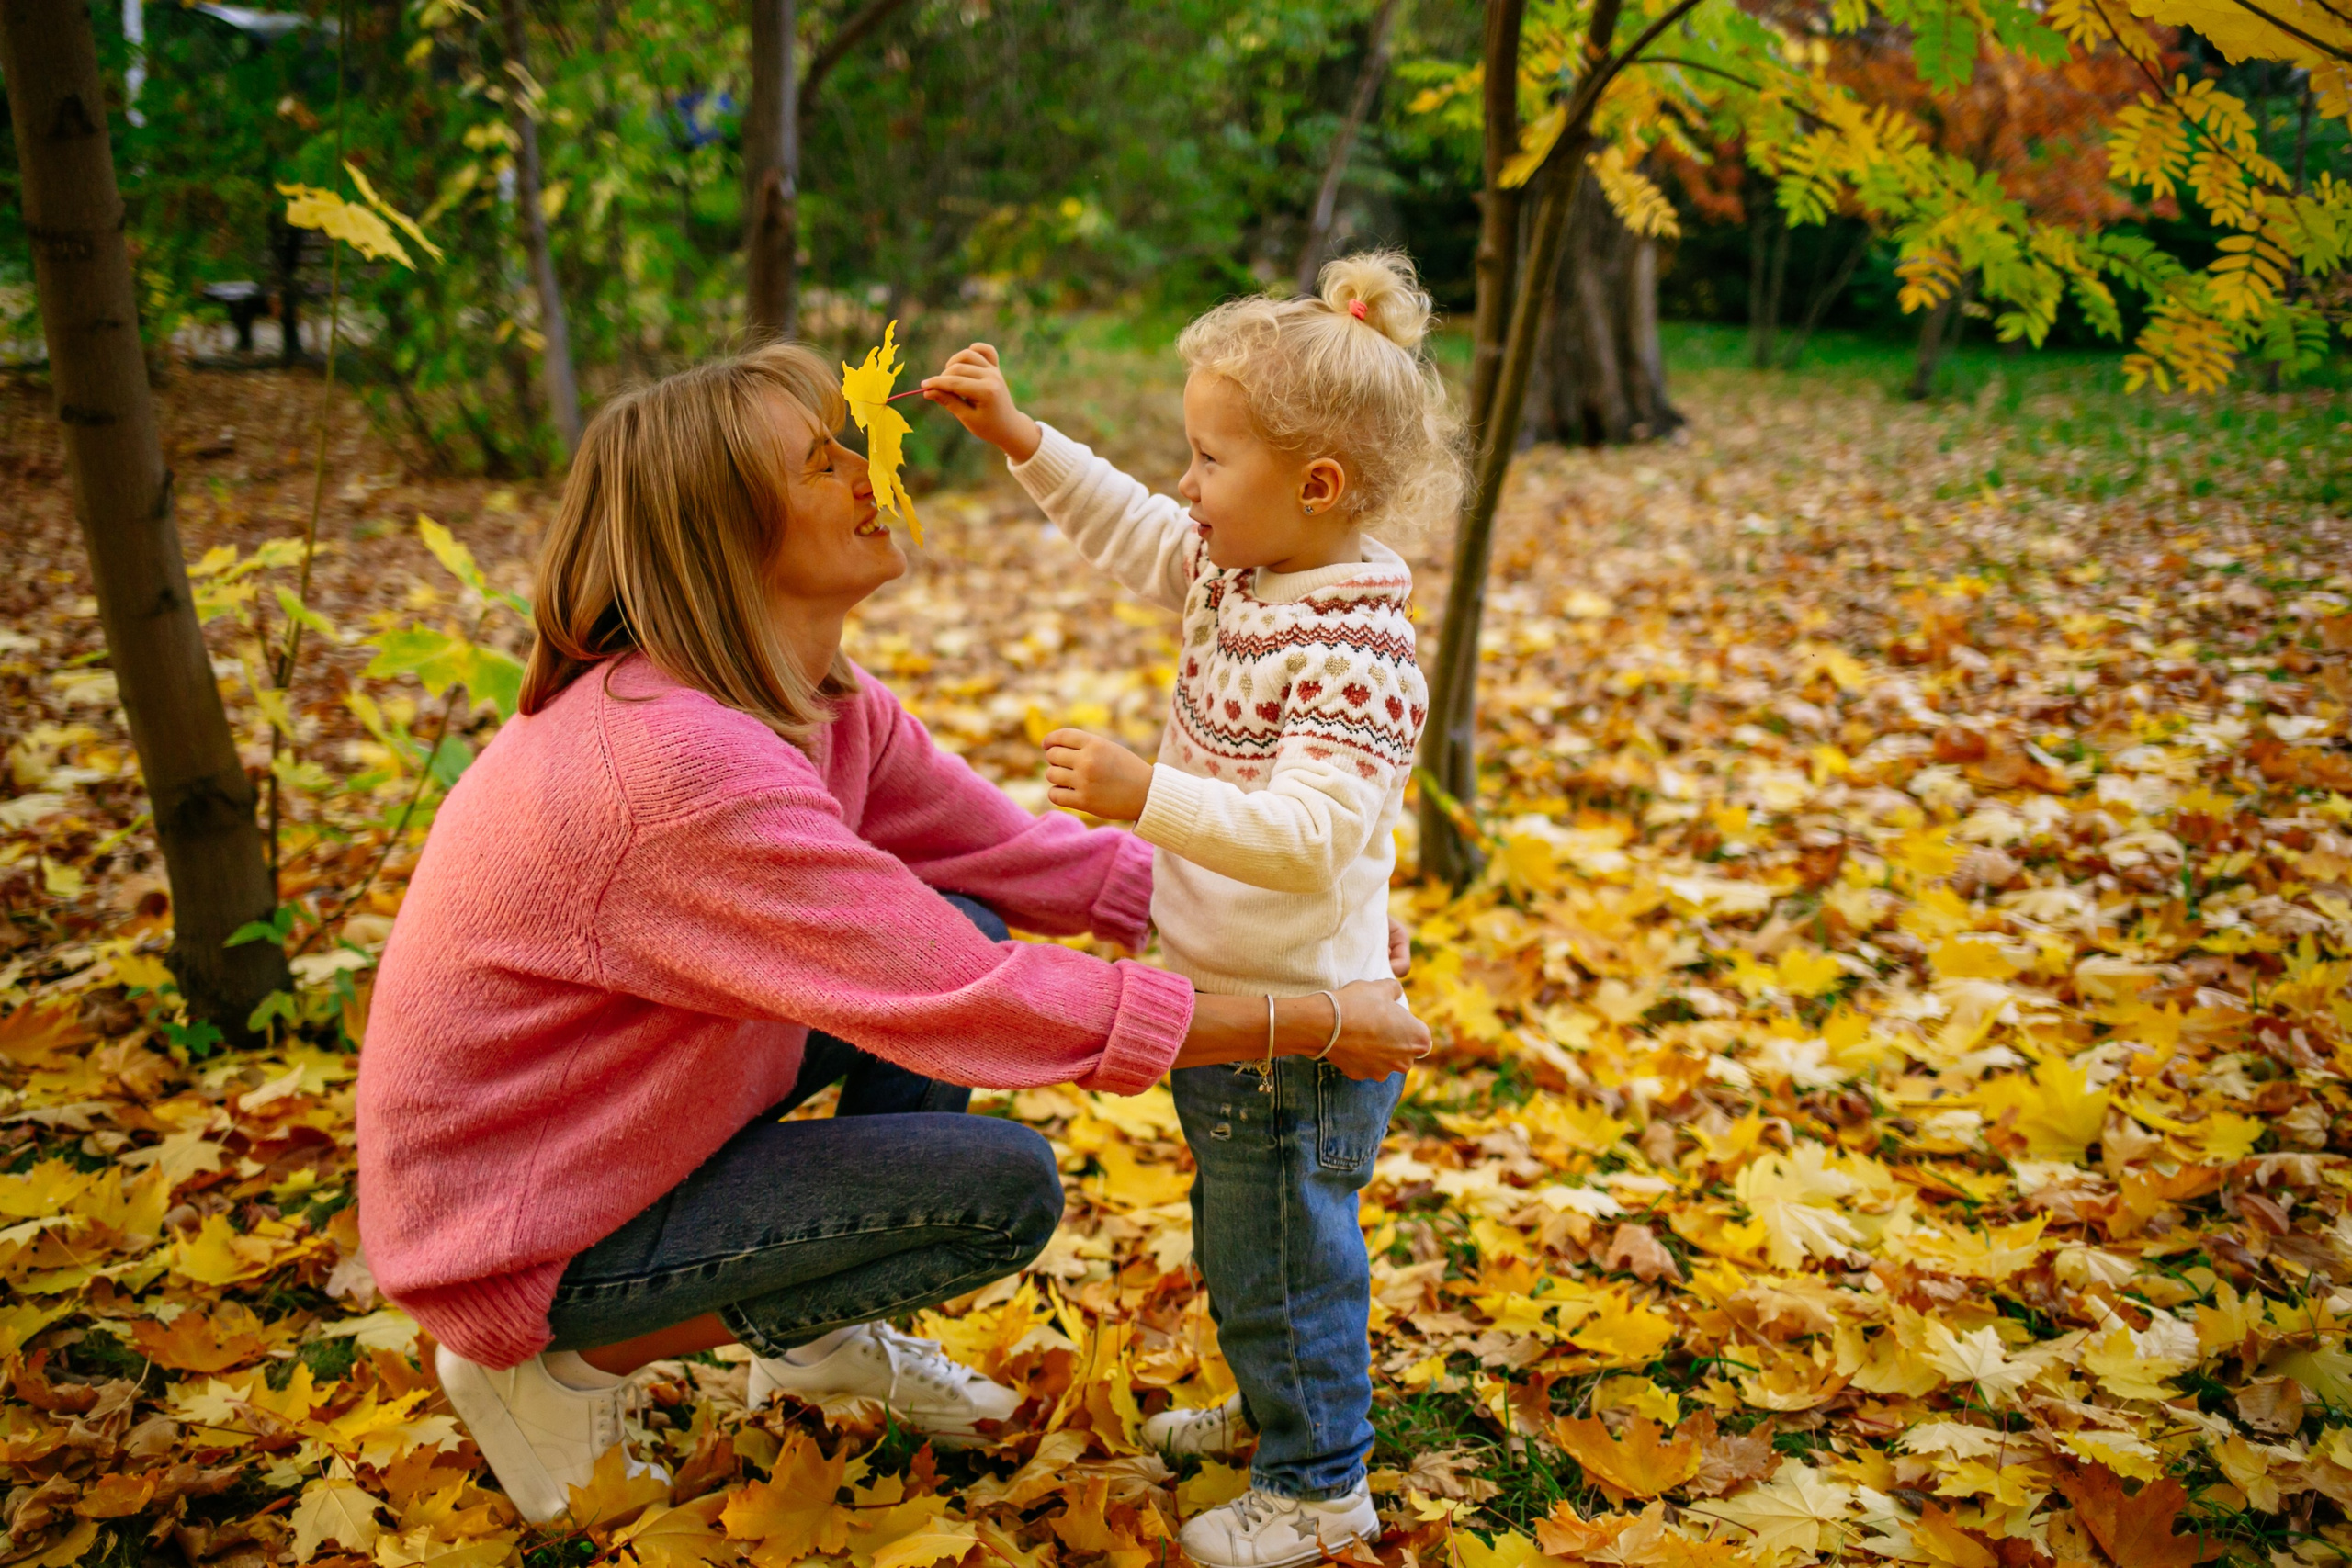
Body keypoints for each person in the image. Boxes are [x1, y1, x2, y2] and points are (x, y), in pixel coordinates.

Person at [353, 342, 1432, 1528]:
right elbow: (973, 1000)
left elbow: (1014, 858)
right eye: (824, 462)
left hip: (619, 1114)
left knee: (957, 905)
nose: (872, 470)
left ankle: (807, 1338)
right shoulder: (679, 770)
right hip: (518, 1224)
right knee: (999, 1190)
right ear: (723, 534)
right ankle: (556, 1366)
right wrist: (1306, 1021)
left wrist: (1284, 926)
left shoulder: (813, 699)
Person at [922, 250, 1463, 1568]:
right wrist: (1023, 439)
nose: (1186, 485)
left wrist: (1141, 793)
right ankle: (1279, 1404)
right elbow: (1131, 528)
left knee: (1284, 1246)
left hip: (1298, 1030)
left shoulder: (1354, 653)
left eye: (1211, 462)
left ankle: (1321, 1478)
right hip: (1226, 989)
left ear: (1316, 487)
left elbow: (1312, 839)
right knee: (1248, 1238)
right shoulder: (1245, 574)